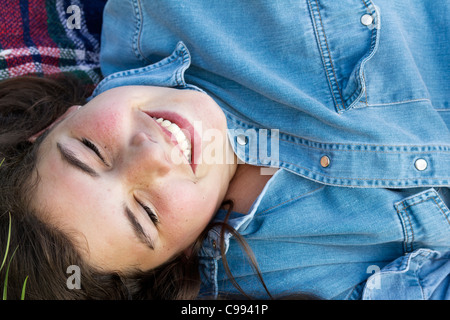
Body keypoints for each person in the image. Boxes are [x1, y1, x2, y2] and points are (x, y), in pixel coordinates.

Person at [1, 0, 449, 300]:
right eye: (146, 214)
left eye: (93, 151)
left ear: (53, 122)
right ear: (172, 261)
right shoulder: (276, 284)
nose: (151, 154)